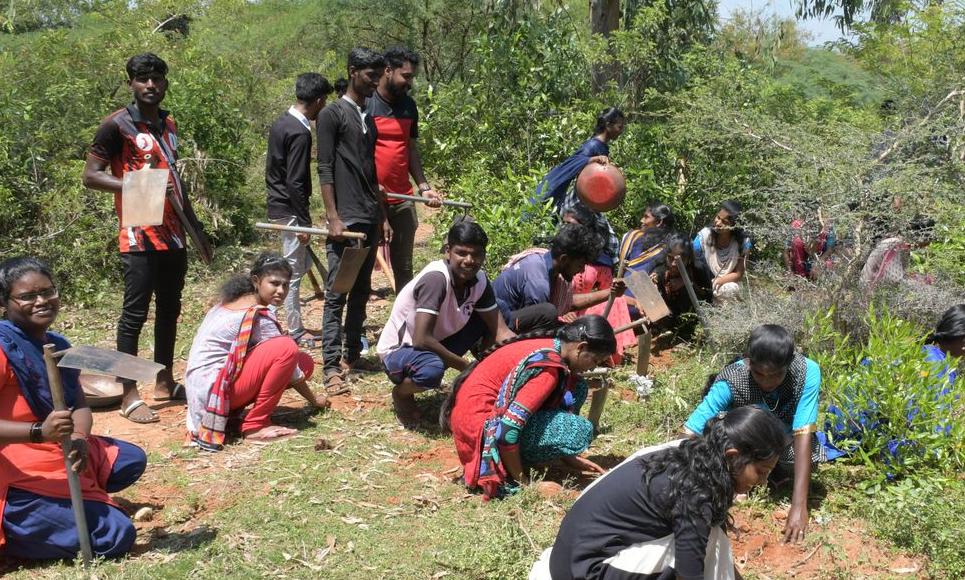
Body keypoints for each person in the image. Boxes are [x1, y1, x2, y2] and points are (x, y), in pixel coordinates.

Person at [532, 406, 789, 580]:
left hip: (571, 555)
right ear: (732, 456)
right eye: (761, 472)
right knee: (708, 542)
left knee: (711, 536)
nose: (763, 482)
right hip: (584, 571)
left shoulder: (692, 452)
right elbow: (689, 573)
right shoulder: (696, 493)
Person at [0, 257, 147, 559]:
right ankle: (15, 531)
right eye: (27, 296)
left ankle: (59, 508)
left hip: (55, 446)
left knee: (129, 460)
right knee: (114, 535)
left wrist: (79, 438)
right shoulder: (3, 348)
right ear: (5, 303)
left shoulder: (57, 344)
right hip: (15, 459)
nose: (41, 301)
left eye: (47, 291)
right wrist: (39, 431)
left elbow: (78, 403)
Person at [82, 53, 199, 423]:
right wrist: (138, 186)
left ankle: (164, 381)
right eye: (142, 79)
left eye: (157, 78)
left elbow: (174, 179)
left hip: (174, 233)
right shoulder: (116, 124)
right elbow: (91, 175)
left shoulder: (168, 123)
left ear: (165, 82)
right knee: (134, 314)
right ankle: (129, 394)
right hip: (139, 231)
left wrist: (196, 228)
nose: (150, 85)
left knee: (170, 309)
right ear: (131, 83)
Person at [442, 316, 616, 500]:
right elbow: (506, 430)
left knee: (577, 387)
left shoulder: (553, 346)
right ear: (581, 347)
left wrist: (569, 458)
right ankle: (512, 468)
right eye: (595, 360)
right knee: (578, 430)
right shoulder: (548, 370)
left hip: (470, 420)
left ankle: (528, 457)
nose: (593, 368)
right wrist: (524, 483)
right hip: (479, 433)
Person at [683, 324, 822, 544]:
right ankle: (742, 479)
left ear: (789, 364)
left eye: (775, 375)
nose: (767, 381)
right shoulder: (733, 379)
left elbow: (803, 432)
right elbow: (692, 431)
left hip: (782, 441)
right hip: (745, 445)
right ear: (748, 362)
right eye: (759, 374)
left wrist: (798, 506)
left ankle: (770, 474)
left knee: (802, 457)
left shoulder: (807, 372)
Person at [185, 254, 329, 451]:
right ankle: (255, 425)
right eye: (274, 283)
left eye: (285, 285)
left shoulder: (230, 303)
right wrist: (314, 401)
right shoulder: (257, 315)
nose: (281, 291)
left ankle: (239, 416)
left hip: (204, 390)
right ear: (256, 281)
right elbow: (291, 369)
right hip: (214, 395)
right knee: (287, 348)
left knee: (304, 362)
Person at [377, 220, 514, 425]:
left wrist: (524, 357)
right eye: (462, 253)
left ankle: (484, 380)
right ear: (448, 251)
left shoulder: (480, 281)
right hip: (402, 350)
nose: (469, 261)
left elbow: (501, 331)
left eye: (476, 254)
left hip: (437, 341)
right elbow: (421, 339)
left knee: (500, 310)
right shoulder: (436, 279)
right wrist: (466, 366)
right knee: (431, 370)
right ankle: (402, 393)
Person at [316, 47, 391, 390]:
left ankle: (352, 355)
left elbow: (371, 171)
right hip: (346, 220)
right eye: (370, 75)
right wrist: (333, 216)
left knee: (362, 291)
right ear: (352, 72)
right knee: (337, 293)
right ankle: (331, 366)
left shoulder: (368, 117)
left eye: (378, 75)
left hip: (369, 215)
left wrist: (382, 216)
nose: (376, 82)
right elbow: (325, 167)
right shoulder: (331, 114)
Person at [822, 303, 963, 463]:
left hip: (840, 427)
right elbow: (928, 423)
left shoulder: (925, 353)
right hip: (854, 433)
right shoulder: (935, 364)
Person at [266, 73, 334, 348]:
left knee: (299, 264)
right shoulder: (299, 131)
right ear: (318, 100)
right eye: (324, 102)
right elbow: (295, 181)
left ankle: (273, 317)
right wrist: (304, 223)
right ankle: (294, 330)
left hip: (279, 202)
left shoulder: (282, 122)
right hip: (290, 208)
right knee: (292, 274)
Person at [368, 46, 442, 291]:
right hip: (369, 198)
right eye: (406, 76)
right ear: (388, 71)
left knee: (404, 267)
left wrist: (423, 187)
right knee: (362, 266)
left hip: (402, 198)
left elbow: (410, 149)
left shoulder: (409, 106)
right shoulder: (366, 104)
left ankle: (404, 312)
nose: (409, 83)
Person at [493, 223, 623, 334]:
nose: (582, 270)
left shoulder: (545, 260)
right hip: (497, 328)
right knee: (550, 315)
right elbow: (538, 323)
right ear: (564, 259)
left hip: (510, 320)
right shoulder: (538, 282)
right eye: (580, 265)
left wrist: (611, 292)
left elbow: (569, 303)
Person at [560, 204, 634, 363]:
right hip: (559, 307)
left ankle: (605, 353)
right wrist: (562, 309)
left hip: (584, 310)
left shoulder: (600, 258)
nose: (565, 228)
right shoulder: (558, 251)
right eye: (564, 223)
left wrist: (635, 302)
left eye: (570, 224)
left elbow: (609, 292)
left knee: (616, 302)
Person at [533, 108, 626, 212]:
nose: (621, 131)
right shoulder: (592, 145)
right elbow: (574, 164)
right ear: (608, 125)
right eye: (619, 127)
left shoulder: (602, 147)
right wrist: (590, 160)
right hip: (574, 201)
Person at [692, 200, 751, 303]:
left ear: (734, 226)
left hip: (725, 283)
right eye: (718, 217)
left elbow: (738, 273)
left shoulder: (742, 243)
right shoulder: (703, 237)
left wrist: (718, 281)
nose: (718, 223)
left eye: (725, 222)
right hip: (702, 283)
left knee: (731, 289)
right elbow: (693, 262)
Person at [858, 214, 935, 291]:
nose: (927, 244)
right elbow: (892, 279)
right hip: (869, 290)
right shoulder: (894, 245)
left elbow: (897, 276)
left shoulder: (902, 247)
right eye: (928, 240)